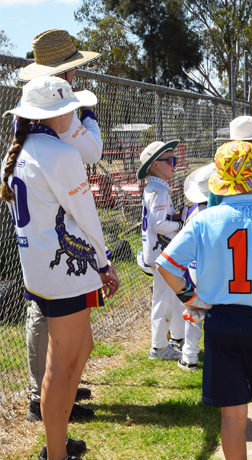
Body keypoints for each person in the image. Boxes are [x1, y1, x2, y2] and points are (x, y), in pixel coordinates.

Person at [156, 140, 252, 460]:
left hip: (220, 322)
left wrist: (191, 298)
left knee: (232, 412)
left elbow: (166, 265)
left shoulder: (204, 218)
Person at [2, 76, 120, 460]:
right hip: (66, 275)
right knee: (61, 364)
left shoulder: (19, 151)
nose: (74, 116)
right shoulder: (58, 154)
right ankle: (56, 453)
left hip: (41, 269)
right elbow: (86, 217)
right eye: (70, 109)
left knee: (80, 348)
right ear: (56, 114)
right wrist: (104, 262)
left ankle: (58, 440)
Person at [16, 28, 104, 424]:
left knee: (55, 326)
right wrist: (86, 114)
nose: (76, 74)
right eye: (72, 68)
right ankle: (45, 394)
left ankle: (56, 389)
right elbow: (92, 151)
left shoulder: (36, 110)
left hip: (42, 236)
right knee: (46, 322)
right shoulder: (54, 112)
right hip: (53, 238)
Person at [138, 140, 187, 361]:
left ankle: (177, 338)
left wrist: (174, 218)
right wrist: (181, 224)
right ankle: (158, 347)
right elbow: (158, 224)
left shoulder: (155, 188)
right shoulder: (158, 190)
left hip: (160, 253)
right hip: (161, 255)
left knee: (173, 297)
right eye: (171, 160)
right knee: (163, 300)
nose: (175, 164)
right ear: (155, 165)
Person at [174, 164, 216, 370]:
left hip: (192, 268)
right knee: (214, 312)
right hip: (213, 269)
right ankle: (214, 354)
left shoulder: (192, 211)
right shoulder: (218, 211)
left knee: (193, 312)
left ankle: (189, 356)